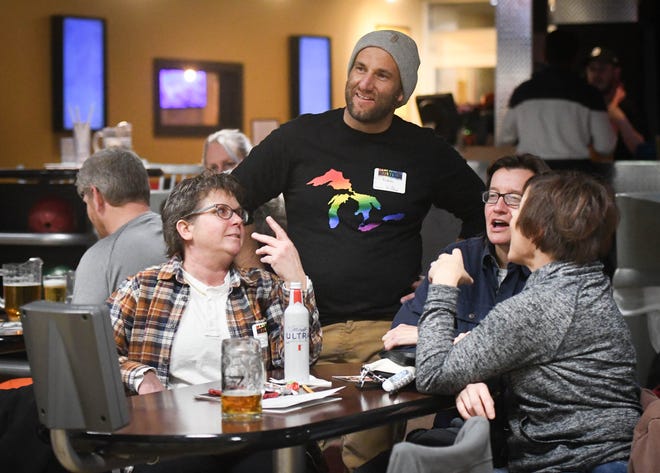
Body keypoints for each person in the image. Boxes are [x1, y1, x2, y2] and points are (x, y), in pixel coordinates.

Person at [233, 29, 485, 366]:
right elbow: (227, 203)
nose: (365, 83)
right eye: (360, 68)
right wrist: (257, 278)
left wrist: (441, 278)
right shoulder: (298, 139)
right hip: (302, 323)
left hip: (387, 330)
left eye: (382, 75)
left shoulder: (425, 151)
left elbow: (483, 212)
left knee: (374, 419)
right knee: (303, 420)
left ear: (401, 93)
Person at [415, 171, 641, 473]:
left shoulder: (541, 306)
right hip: (608, 457)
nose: (508, 218)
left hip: (577, 464)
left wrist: (443, 285)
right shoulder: (586, 284)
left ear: (537, 230)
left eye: (519, 210)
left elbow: (431, 374)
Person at [110, 170, 322, 472]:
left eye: (238, 213)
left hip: (252, 432)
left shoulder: (261, 287)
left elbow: (303, 359)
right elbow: (94, 356)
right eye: (222, 211)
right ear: (185, 228)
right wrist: (140, 375)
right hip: (174, 435)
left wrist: (296, 280)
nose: (237, 221)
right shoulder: (144, 288)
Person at [500, 29, 616, 172]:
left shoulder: (523, 92)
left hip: (532, 172)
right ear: (575, 56)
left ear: (544, 55)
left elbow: (505, 138)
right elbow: (605, 146)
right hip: (574, 175)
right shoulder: (589, 94)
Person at [72, 148, 167, 305]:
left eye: (86, 202)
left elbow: (83, 328)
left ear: (96, 197)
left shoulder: (100, 258)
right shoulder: (181, 236)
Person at [202, 129, 287, 241]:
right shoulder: (202, 210)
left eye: (229, 164)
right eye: (213, 168)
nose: (220, 174)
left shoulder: (277, 209)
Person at [585, 47, 653, 160]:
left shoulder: (629, 106)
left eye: (602, 69)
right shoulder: (581, 106)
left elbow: (645, 154)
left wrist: (620, 119)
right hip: (587, 174)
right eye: (592, 69)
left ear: (616, 72)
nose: (596, 75)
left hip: (625, 174)